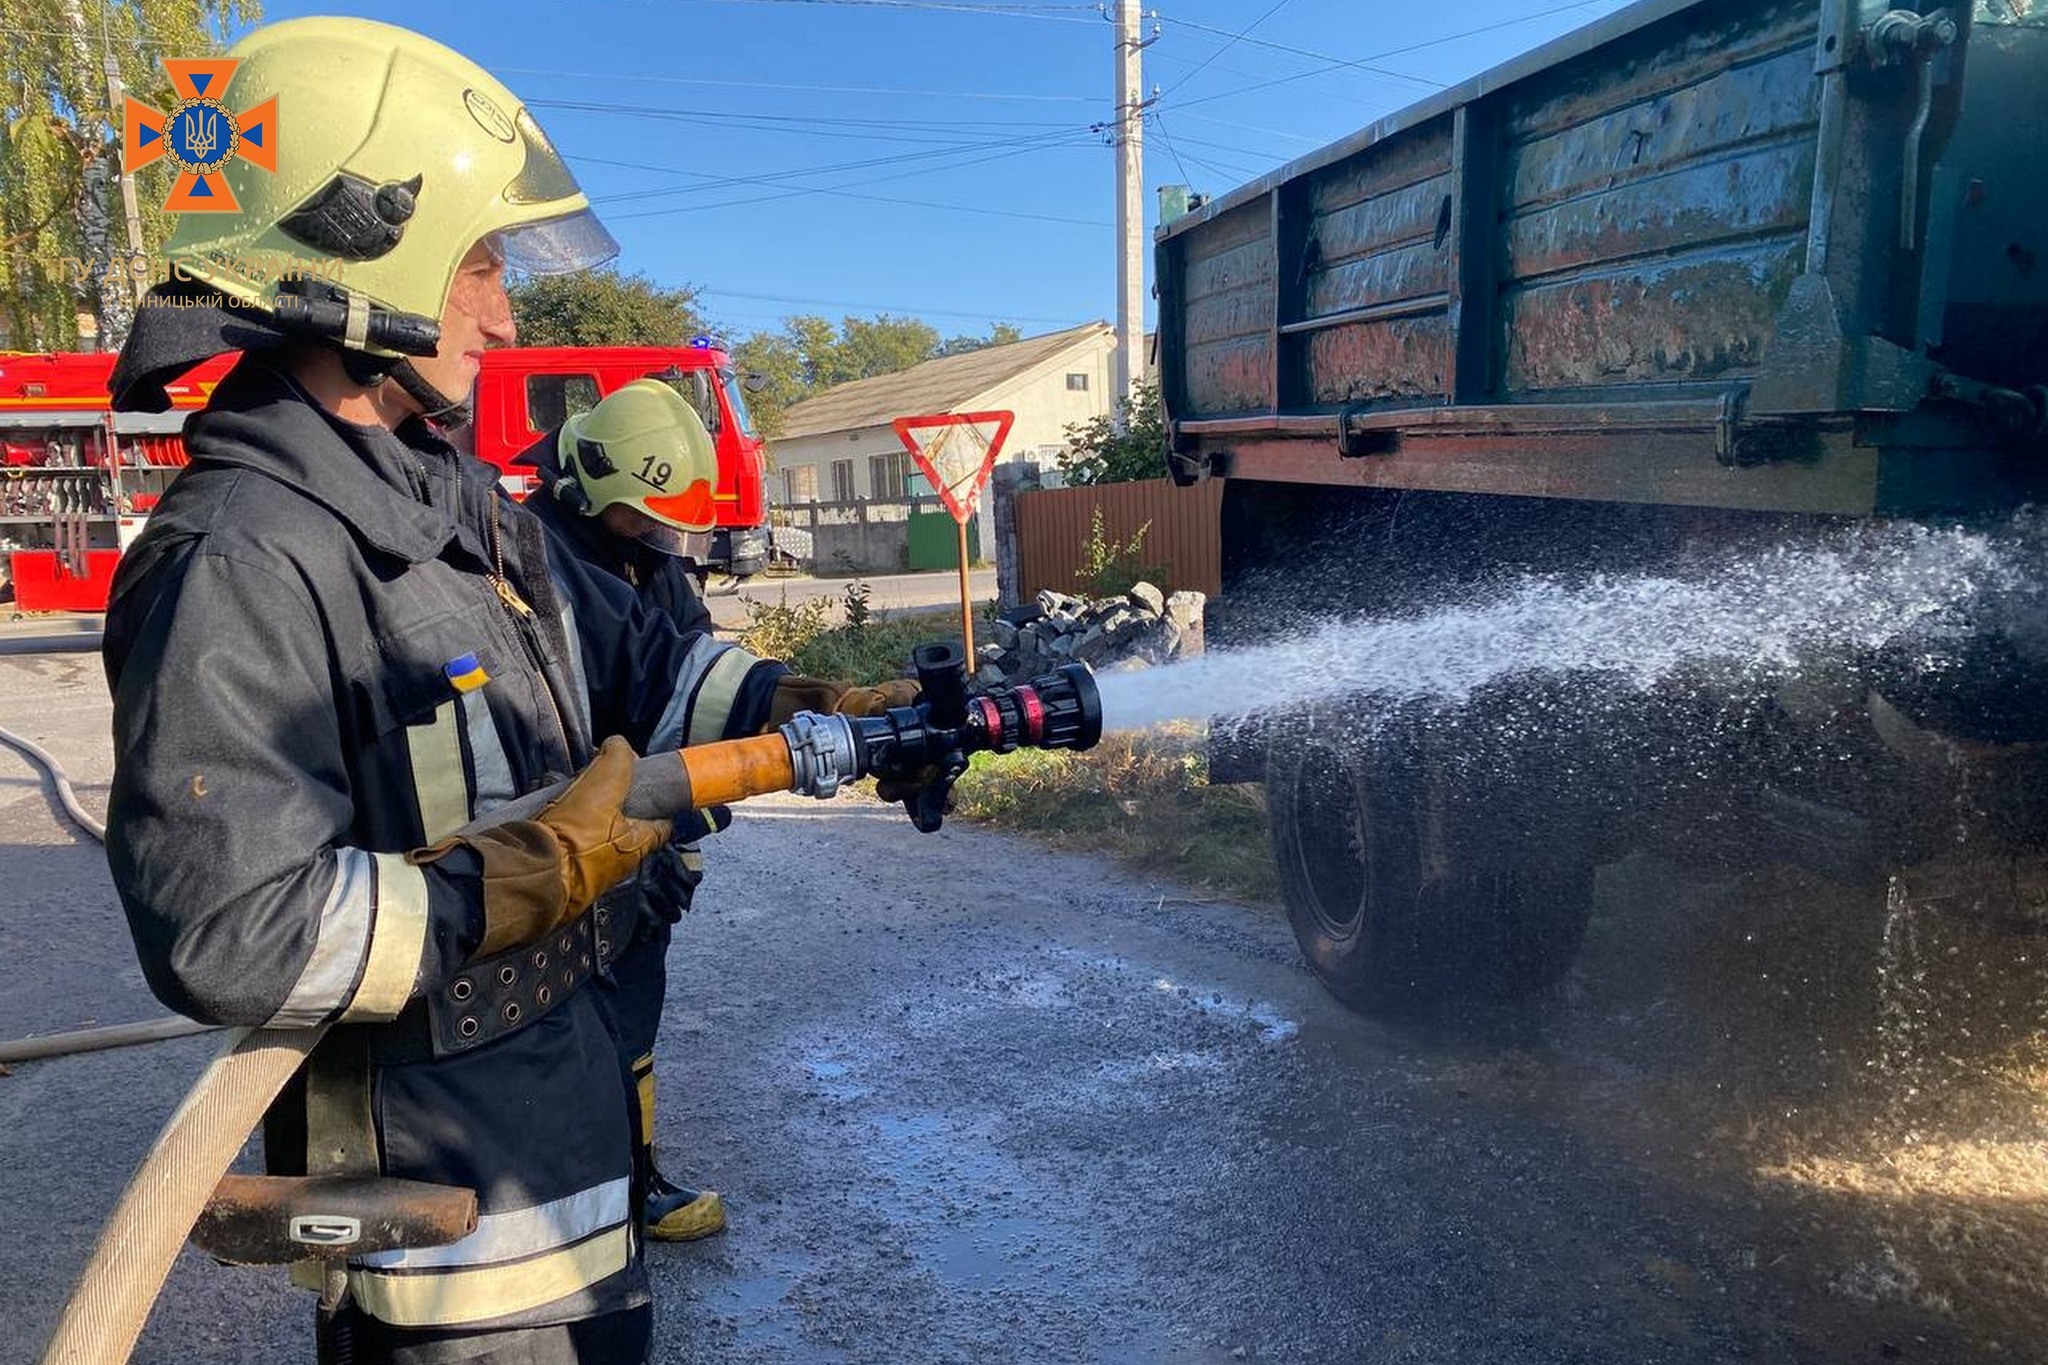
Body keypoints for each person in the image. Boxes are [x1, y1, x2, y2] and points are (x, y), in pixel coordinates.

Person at [99, 18, 919, 1362]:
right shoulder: (246, 556)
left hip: (559, 1147)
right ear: (363, 246)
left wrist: (807, 704)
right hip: (444, 1246)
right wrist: (518, 876)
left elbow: (643, 674)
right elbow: (233, 929)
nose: (502, 309)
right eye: (479, 259)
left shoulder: (459, 503)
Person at [514, 379, 914, 1242]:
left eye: (667, 525)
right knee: (559, 1021)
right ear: (593, 485)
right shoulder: (530, 560)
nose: (660, 539)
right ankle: (574, 1199)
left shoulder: (648, 565)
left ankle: (632, 1179)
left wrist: (676, 841)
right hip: (551, 838)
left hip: (644, 833)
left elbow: (698, 682)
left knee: (634, 1009)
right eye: (643, 519)